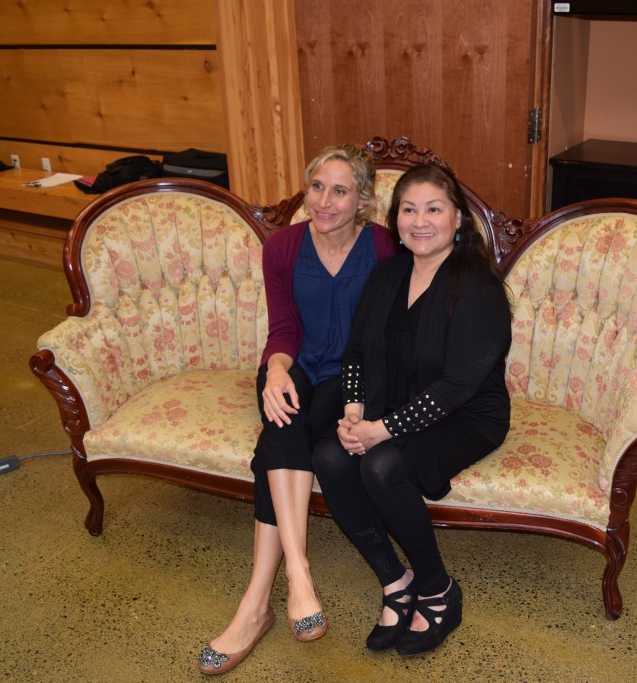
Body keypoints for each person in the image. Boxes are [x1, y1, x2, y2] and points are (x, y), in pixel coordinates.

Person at [196, 145, 397, 675]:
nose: (324, 202)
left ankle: (255, 603)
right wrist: (278, 370)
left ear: (363, 201)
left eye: (339, 191)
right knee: (282, 413)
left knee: (278, 440)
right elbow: (282, 327)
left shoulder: (383, 246)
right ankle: (300, 575)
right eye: (316, 188)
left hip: (348, 378)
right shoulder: (282, 246)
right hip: (295, 363)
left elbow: (383, 336)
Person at [312, 163, 512, 657]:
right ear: (394, 219)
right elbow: (356, 352)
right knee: (331, 456)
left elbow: (458, 386)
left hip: (467, 415)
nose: (419, 221)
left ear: (458, 219)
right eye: (408, 209)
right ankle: (394, 581)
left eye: (433, 209)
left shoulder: (479, 288)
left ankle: (438, 588)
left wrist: (382, 430)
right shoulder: (389, 274)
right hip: (392, 404)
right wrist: (356, 411)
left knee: (382, 464)